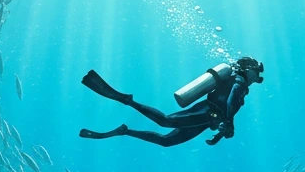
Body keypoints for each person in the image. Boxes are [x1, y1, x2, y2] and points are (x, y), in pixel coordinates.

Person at [79, 57, 264, 147]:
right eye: (257, 72)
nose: (258, 77)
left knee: (166, 141)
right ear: (249, 69)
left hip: (208, 118)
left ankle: (125, 131)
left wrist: (219, 134)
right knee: (166, 121)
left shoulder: (240, 83)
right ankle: (128, 101)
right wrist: (229, 123)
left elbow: (229, 107)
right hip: (208, 112)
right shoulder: (239, 81)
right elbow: (230, 100)